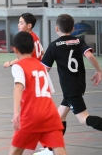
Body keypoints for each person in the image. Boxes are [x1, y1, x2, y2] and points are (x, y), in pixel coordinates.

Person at [38, 14, 102, 154]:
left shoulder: (54, 46)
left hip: (70, 88)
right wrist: (99, 70)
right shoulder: (78, 41)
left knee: (83, 119)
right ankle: (51, 148)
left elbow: (44, 70)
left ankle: (51, 148)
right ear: (73, 28)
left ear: (56, 29)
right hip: (79, 85)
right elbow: (90, 55)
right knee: (59, 117)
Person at [9, 31, 67, 155]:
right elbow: (49, 91)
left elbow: (19, 86)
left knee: (15, 151)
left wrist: (15, 112)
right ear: (34, 48)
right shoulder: (41, 66)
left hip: (31, 115)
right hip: (50, 114)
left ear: (15, 50)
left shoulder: (18, 66)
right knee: (59, 150)